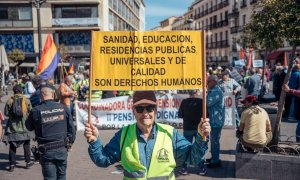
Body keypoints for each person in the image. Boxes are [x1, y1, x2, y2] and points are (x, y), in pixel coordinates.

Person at [84, 91, 211, 178]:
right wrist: (95, 141)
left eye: (149, 108)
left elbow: (193, 158)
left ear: (155, 110)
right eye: (140, 109)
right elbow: (103, 160)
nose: (145, 113)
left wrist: (201, 137)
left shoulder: (170, 133)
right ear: (133, 111)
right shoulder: (123, 134)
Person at [25, 83, 76, 180]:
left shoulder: (36, 110)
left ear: (41, 96)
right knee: (62, 176)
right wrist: (70, 143)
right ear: (53, 94)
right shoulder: (63, 108)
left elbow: (28, 127)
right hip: (62, 148)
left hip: (46, 151)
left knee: (49, 178)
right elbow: (72, 129)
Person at [2, 85, 34, 172]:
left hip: (13, 128)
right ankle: (27, 163)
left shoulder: (10, 100)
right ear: (21, 91)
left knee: (12, 147)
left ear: (14, 91)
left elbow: (6, 113)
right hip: (25, 128)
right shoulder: (26, 100)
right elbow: (31, 112)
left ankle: (12, 165)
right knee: (26, 145)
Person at [178, 90, 204, 175]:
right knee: (200, 148)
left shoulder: (184, 101)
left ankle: (184, 168)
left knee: (186, 148)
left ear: (189, 93)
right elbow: (206, 114)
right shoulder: (201, 102)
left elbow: (180, 115)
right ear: (197, 93)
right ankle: (201, 168)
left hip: (187, 128)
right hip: (199, 129)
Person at [206, 75, 225, 168]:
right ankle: (214, 157)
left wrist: (206, 93)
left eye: (208, 82)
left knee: (215, 141)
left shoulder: (216, 91)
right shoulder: (214, 90)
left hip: (216, 120)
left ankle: (215, 161)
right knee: (213, 140)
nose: (207, 84)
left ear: (213, 81)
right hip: (215, 119)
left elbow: (208, 103)